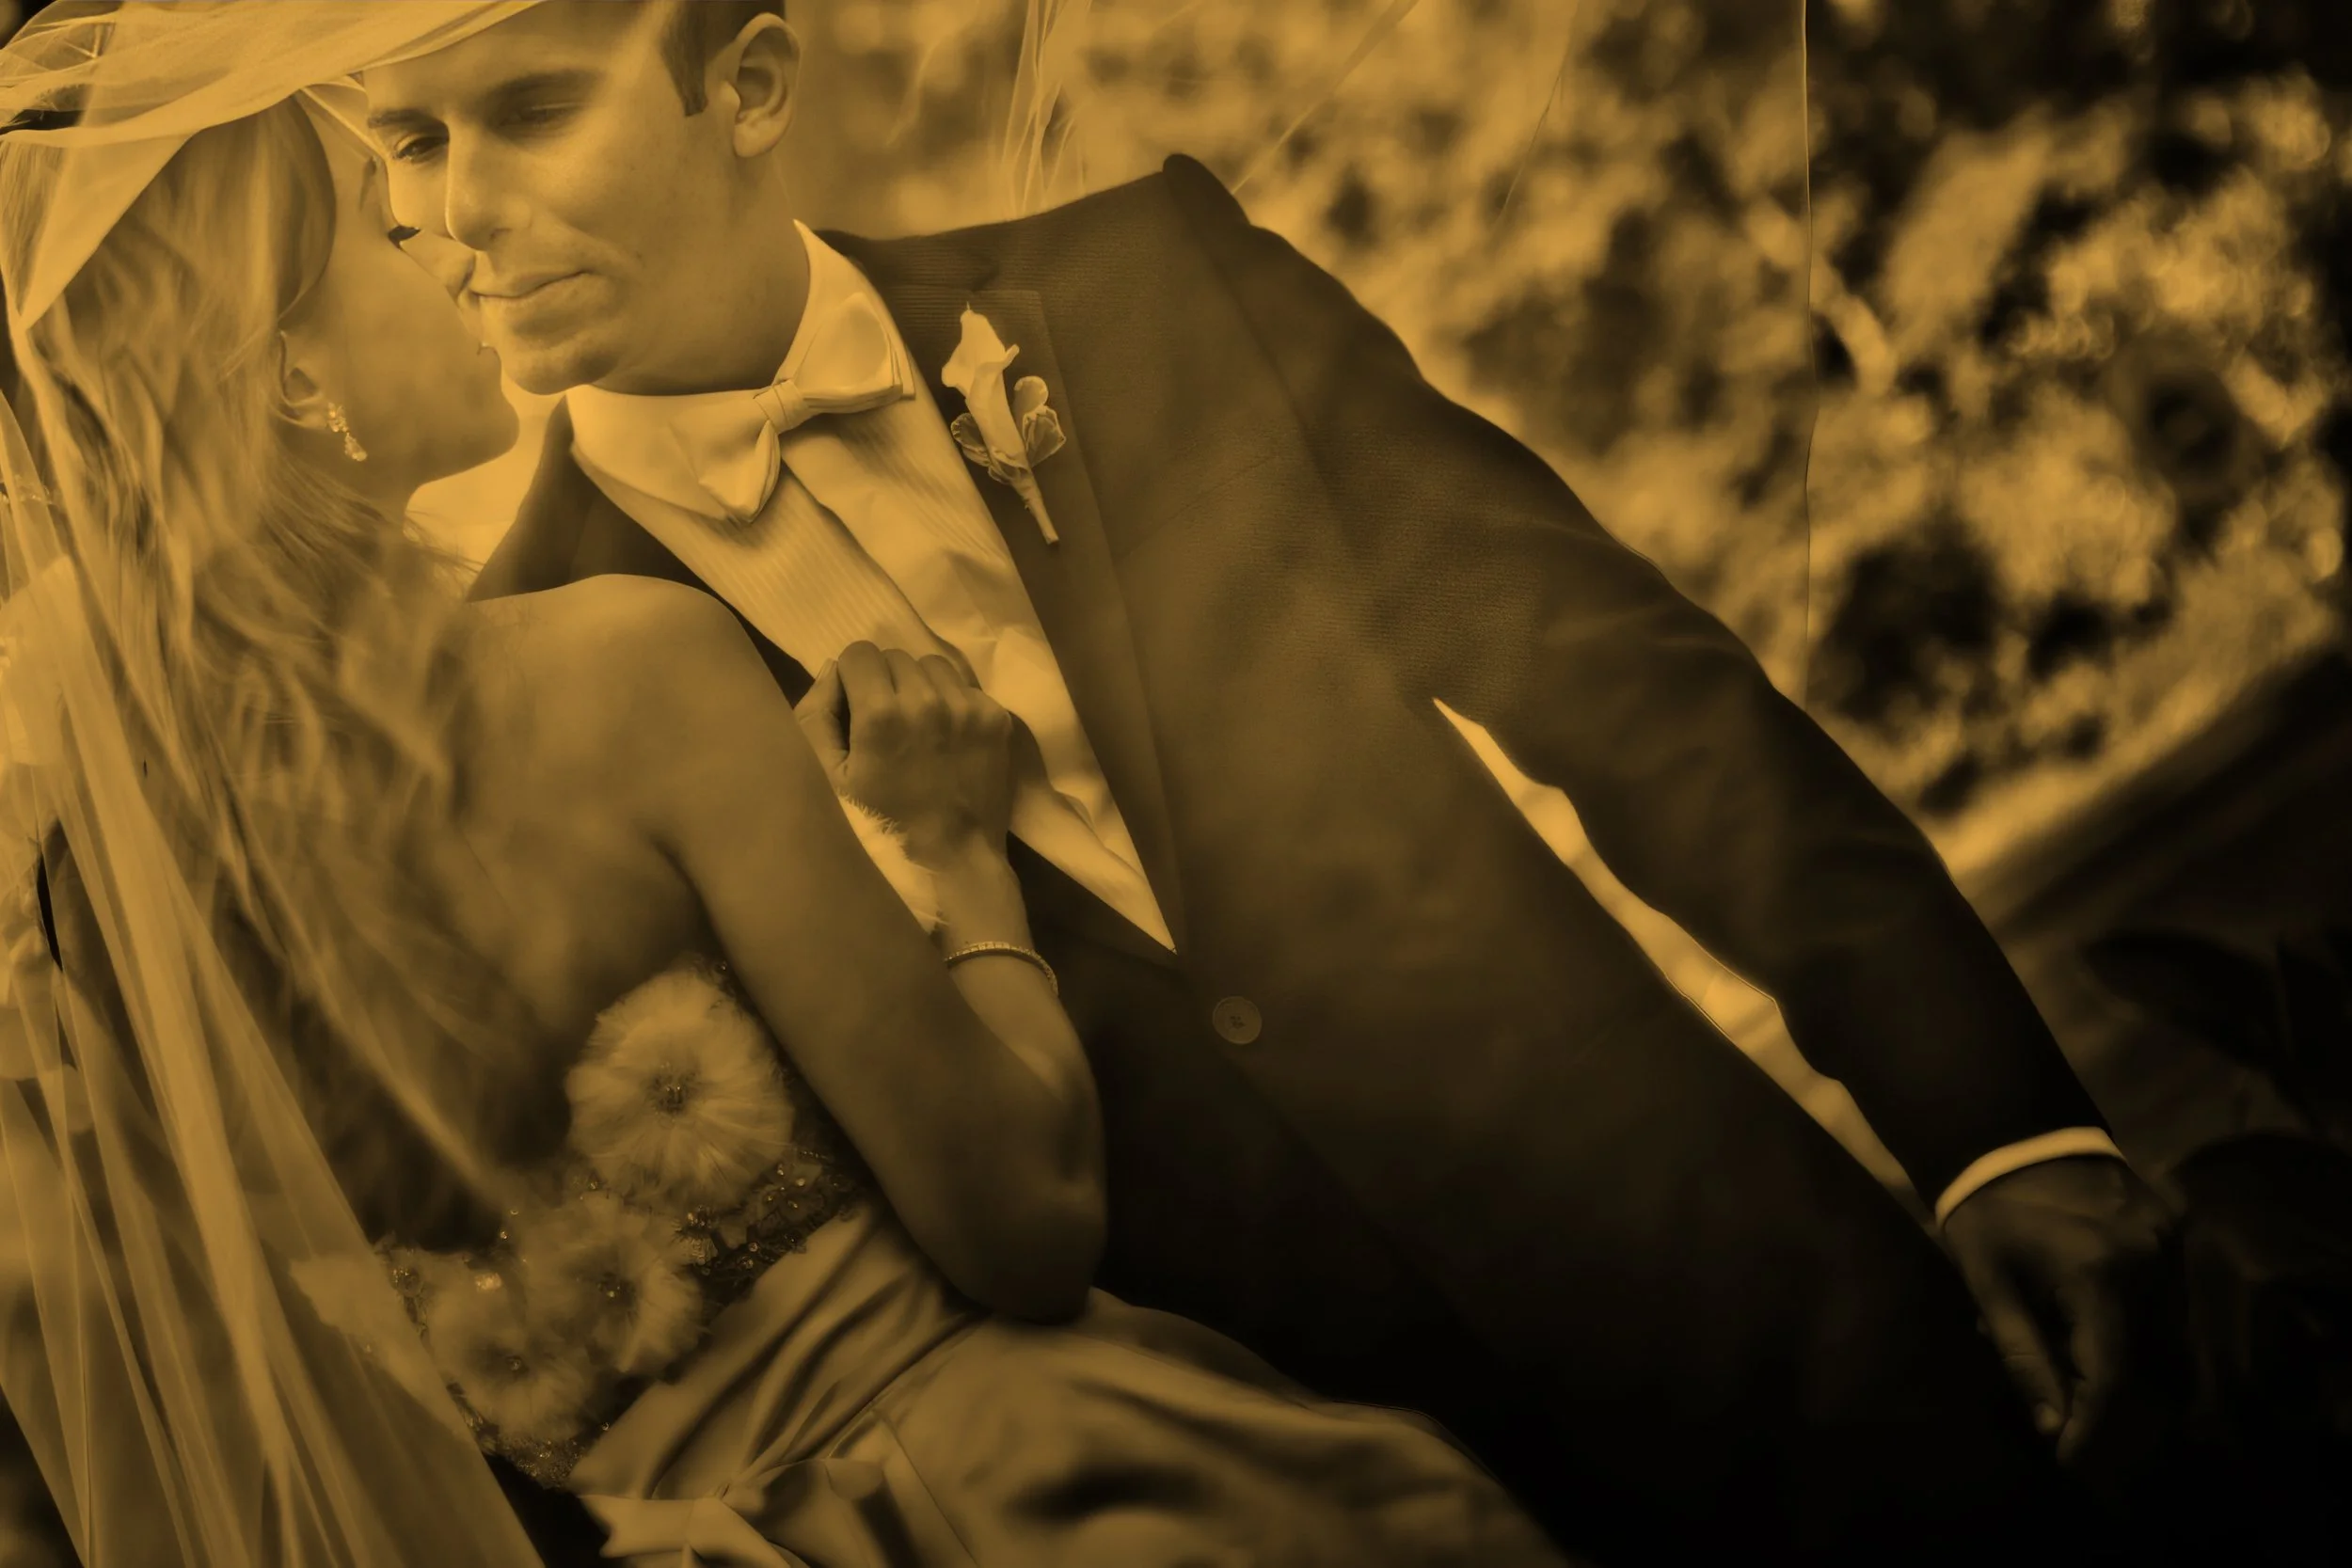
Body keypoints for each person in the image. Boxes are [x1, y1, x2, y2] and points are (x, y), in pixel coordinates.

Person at [347, 3, 2188, 1564]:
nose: (458, 208)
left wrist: (1990, 1124)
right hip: (1252, 1485)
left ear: (742, 84)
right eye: (406, 144)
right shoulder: (540, 685)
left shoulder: (1149, 293)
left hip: (1746, 1304)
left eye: (524, 109)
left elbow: (1635, 699)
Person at [0, 19, 1593, 1566]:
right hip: (1039, 1484)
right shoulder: (620, 673)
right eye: (373, 208)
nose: (438, 232)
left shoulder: (104, 914)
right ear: (287, 369)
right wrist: (958, 858)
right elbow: (1025, 1225)